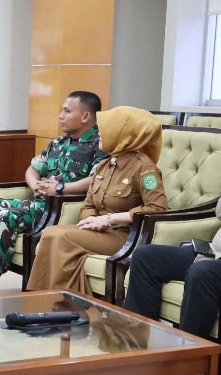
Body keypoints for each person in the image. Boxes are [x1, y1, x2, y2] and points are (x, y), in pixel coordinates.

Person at [0, 91, 106, 297]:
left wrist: (59, 189)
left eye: (67, 111)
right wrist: (37, 185)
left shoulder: (99, 145)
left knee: (8, 216)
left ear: (85, 116)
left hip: (59, 209)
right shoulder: (58, 142)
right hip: (37, 203)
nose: (60, 115)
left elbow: (98, 180)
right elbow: (32, 169)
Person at [26, 106, 168, 292]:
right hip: (97, 230)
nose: (99, 133)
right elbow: (89, 204)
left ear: (123, 134)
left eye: (107, 129)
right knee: (50, 233)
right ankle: (43, 300)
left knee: (60, 236)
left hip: (123, 236)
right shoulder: (104, 165)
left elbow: (157, 208)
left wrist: (110, 219)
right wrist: (90, 220)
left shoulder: (144, 168)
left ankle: (61, 304)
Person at [123, 198, 221, 375]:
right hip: (214, 253)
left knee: (201, 274)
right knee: (145, 256)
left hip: (211, 268)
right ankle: (139, 352)